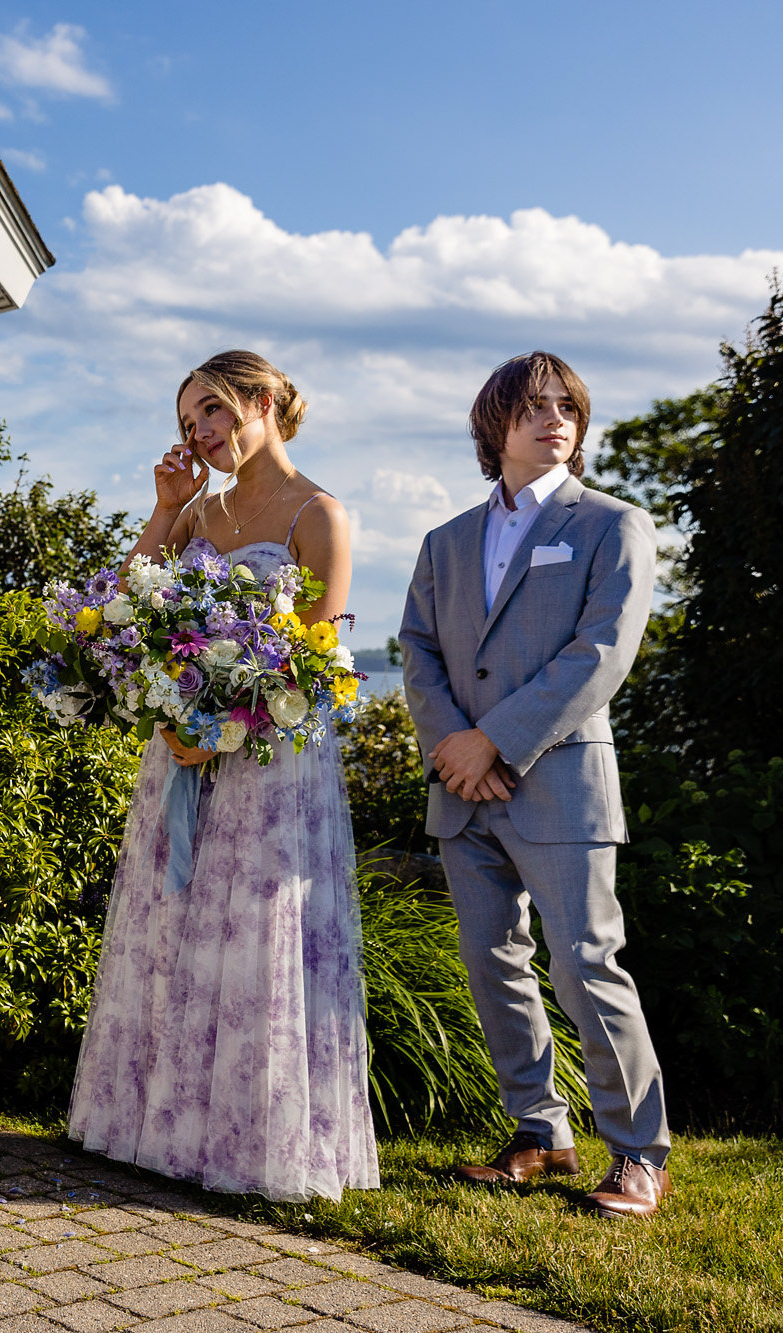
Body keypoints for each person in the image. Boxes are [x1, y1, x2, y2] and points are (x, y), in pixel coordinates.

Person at [68, 350, 379, 1203]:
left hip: (271, 763)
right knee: (177, 929)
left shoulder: (321, 513)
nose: (200, 433)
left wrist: (225, 729)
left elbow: (315, 658)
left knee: (254, 932)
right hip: (182, 753)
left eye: (212, 411)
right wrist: (166, 508)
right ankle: (162, 1130)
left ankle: (254, 1145)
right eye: (187, 422)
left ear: (264, 400)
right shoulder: (195, 510)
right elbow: (121, 605)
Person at [401, 352, 669, 1218]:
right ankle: (540, 1131)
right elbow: (419, 651)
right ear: (494, 427)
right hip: (462, 788)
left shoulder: (613, 525)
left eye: (567, 406)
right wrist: (453, 746)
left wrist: (496, 743)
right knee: (492, 965)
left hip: (557, 782)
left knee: (588, 964)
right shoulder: (444, 541)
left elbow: (601, 655)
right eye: (532, 407)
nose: (554, 418)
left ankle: (638, 1153)